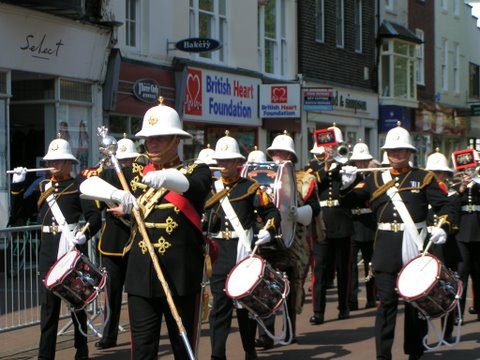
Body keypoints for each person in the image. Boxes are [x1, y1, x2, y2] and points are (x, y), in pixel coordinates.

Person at [340, 123, 456, 360]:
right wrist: (346, 185)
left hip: (414, 245)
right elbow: (350, 202)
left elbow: (447, 205)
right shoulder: (374, 178)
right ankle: (383, 355)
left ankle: (414, 351)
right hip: (386, 248)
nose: (397, 154)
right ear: (386, 152)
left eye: (402, 150)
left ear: (410, 152)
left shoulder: (423, 178)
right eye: (393, 150)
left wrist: (443, 226)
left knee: (416, 302)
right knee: (387, 303)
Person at [107, 98, 212, 359]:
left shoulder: (196, 169)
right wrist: (118, 198)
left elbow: (194, 187)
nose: (151, 143)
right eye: (148, 139)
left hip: (180, 274)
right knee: (142, 350)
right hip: (141, 273)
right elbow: (88, 186)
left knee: (182, 349)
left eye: (160, 138)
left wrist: (165, 177)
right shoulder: (134, 172)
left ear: (176, 140)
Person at [10, 136, 102, 360]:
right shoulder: (42, 186)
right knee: (48, 309)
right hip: (48, 253)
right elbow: (20, 213)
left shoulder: (78, 186)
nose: (54, 164)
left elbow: (94, 218)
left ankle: (81, 349)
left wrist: (83, 235)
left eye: (59, 160)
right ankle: (45, 356)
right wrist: (17, 187)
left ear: (69, 163)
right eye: (51, 160)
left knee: (77, 304)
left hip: (70, 251)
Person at [204, 131, 280, 360]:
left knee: (246, 306)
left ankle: (249, 350)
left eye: (229, 160)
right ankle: (218, 355)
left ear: (238, 162)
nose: (224, 165)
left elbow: (272, 212)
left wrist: (269, 229)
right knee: (220, 308)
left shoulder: (251, 187)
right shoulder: (210, 188)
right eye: (221, 161)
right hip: (218, 251)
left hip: (242, 251)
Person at [255, 131, 320, 349]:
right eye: (276, 153)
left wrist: (298, 212)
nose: (280, 157)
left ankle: (290, 329)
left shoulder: (305, 179)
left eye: (285, 154)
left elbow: (315, 207)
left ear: (292, 157)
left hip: (294, 241)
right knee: (265, 286)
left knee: (291, 287)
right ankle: (266, 333)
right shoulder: (261, 176)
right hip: (266, 240)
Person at [94, 135, 139, 350]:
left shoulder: (139, 177)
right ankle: (109, 335)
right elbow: (94, 200)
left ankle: (139, 335)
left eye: (126, 160)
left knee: (137, 294)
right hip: (112, 244)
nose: (123, 164)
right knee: (110, 295)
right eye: (120, 161)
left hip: (135, 241)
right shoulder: (107, 175)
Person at [306, 124, 353, 325]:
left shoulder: (347, 167)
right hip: (322, 222)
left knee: (344, 268)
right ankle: (318, 311)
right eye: (328, 147)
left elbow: (354, 195)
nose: (331, 150)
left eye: (335, 146)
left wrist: (348, 181)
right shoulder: (313, 167)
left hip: (342, 221)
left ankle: (344, 306)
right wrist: (325, 167)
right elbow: (309, 187)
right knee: (320, 270)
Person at [424, 148, 460, 340]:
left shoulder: (452, 194)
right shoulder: (423, 193)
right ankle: (423, 333)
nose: (437, 176)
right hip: (426, 244)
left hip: (445, 244)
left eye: (440, 173)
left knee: (447, 290)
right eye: (433, 172)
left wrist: (444, 229)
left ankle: (447, 331)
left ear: (446, 175)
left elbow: (454, 219)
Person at [450, 149, 480, 325]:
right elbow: (451, 202)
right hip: (461, 232)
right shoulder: (454, 182)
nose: (471, 169)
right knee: (461, 274)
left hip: (478, 229)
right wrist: (461, 187)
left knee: (479, 274)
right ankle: (458, 313)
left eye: (474, 165)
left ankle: (478, 308)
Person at [347, 140, 376, 311]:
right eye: (359, 161)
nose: (362, 164)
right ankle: (352, 300)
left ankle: (372, 297)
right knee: (351, 265)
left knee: (371, 264)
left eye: (364, 161)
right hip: (353, 224)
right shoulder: (349, 177)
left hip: (369, 224)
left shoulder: (373, 177)